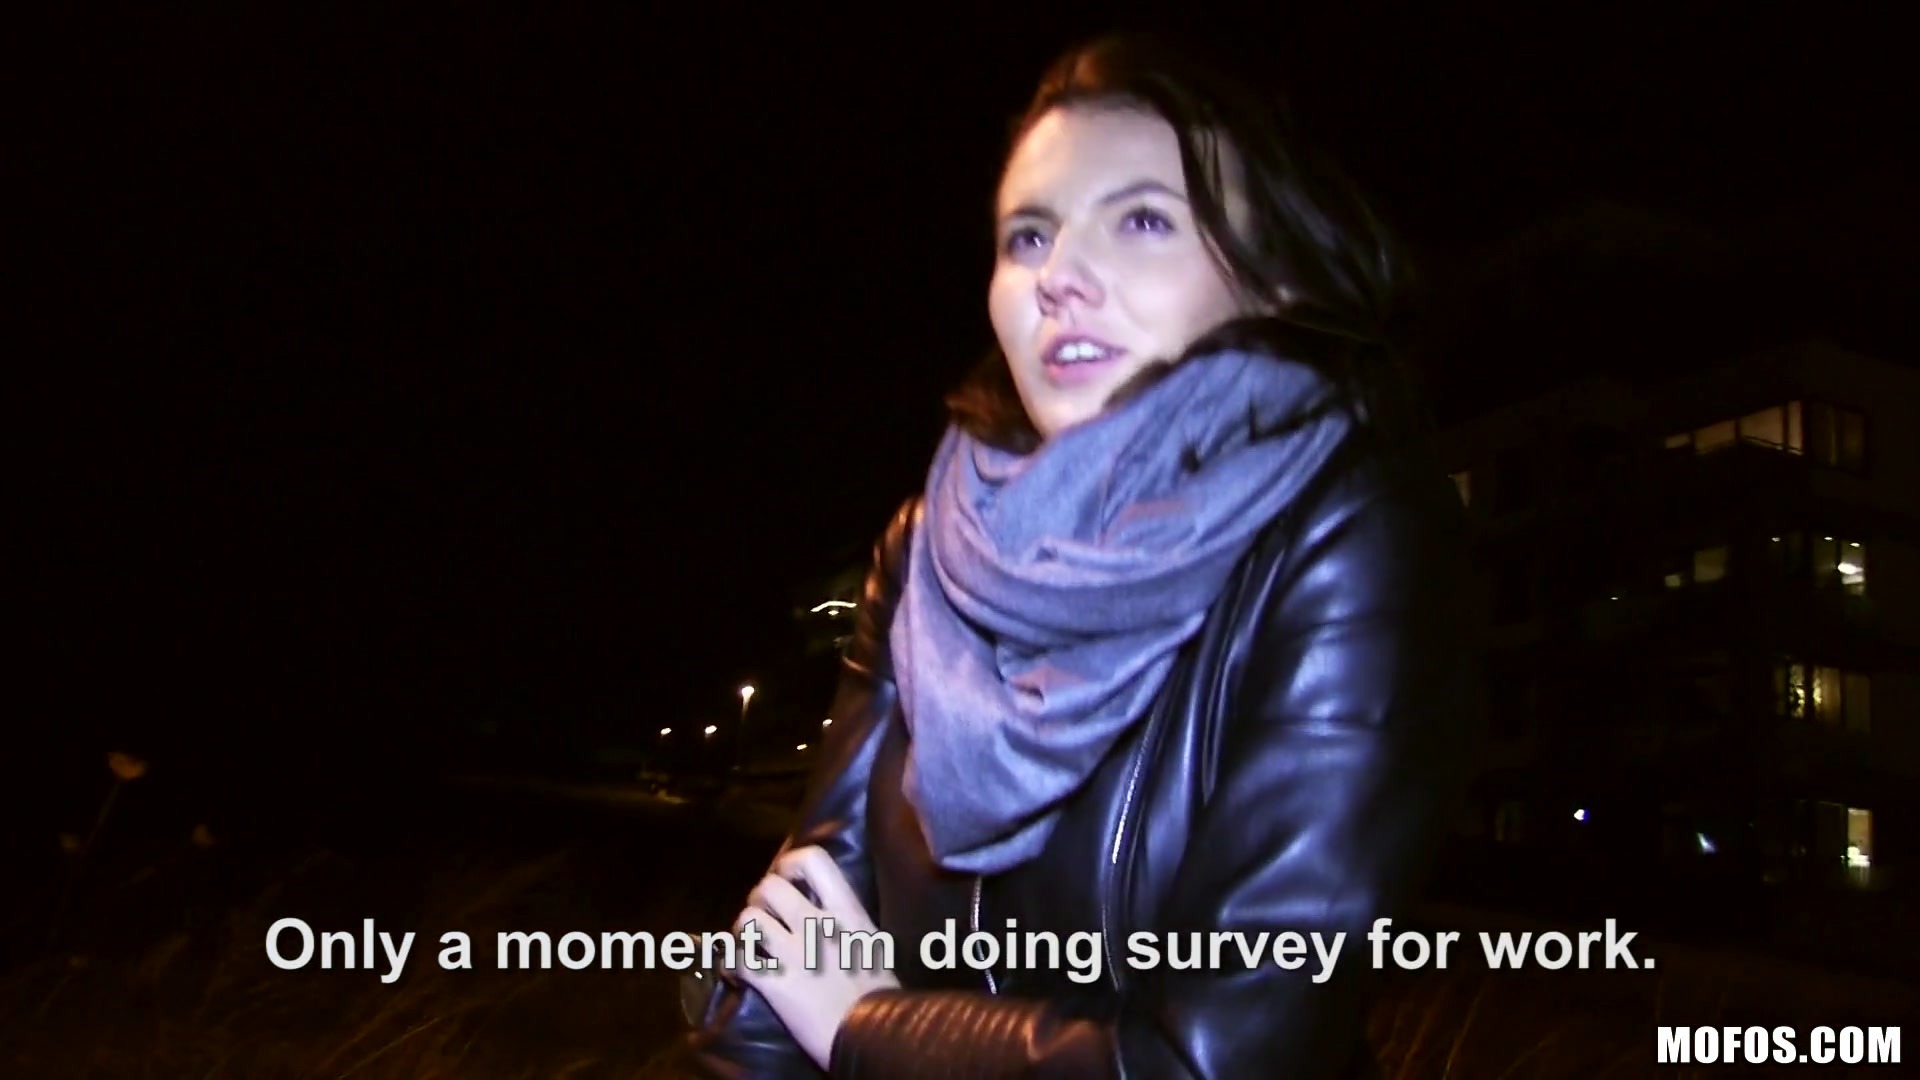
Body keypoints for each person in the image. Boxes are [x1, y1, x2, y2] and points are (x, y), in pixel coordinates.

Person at [671, 29, 1479, 1079]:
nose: (1059, 276)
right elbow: (784, 959)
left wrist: (865, 1027)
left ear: (1271, 282)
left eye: (1141, 220)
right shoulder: (927, 548)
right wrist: (798, 1017)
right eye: (1029, 236)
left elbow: (1221, 1057)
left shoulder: (1350, 538)